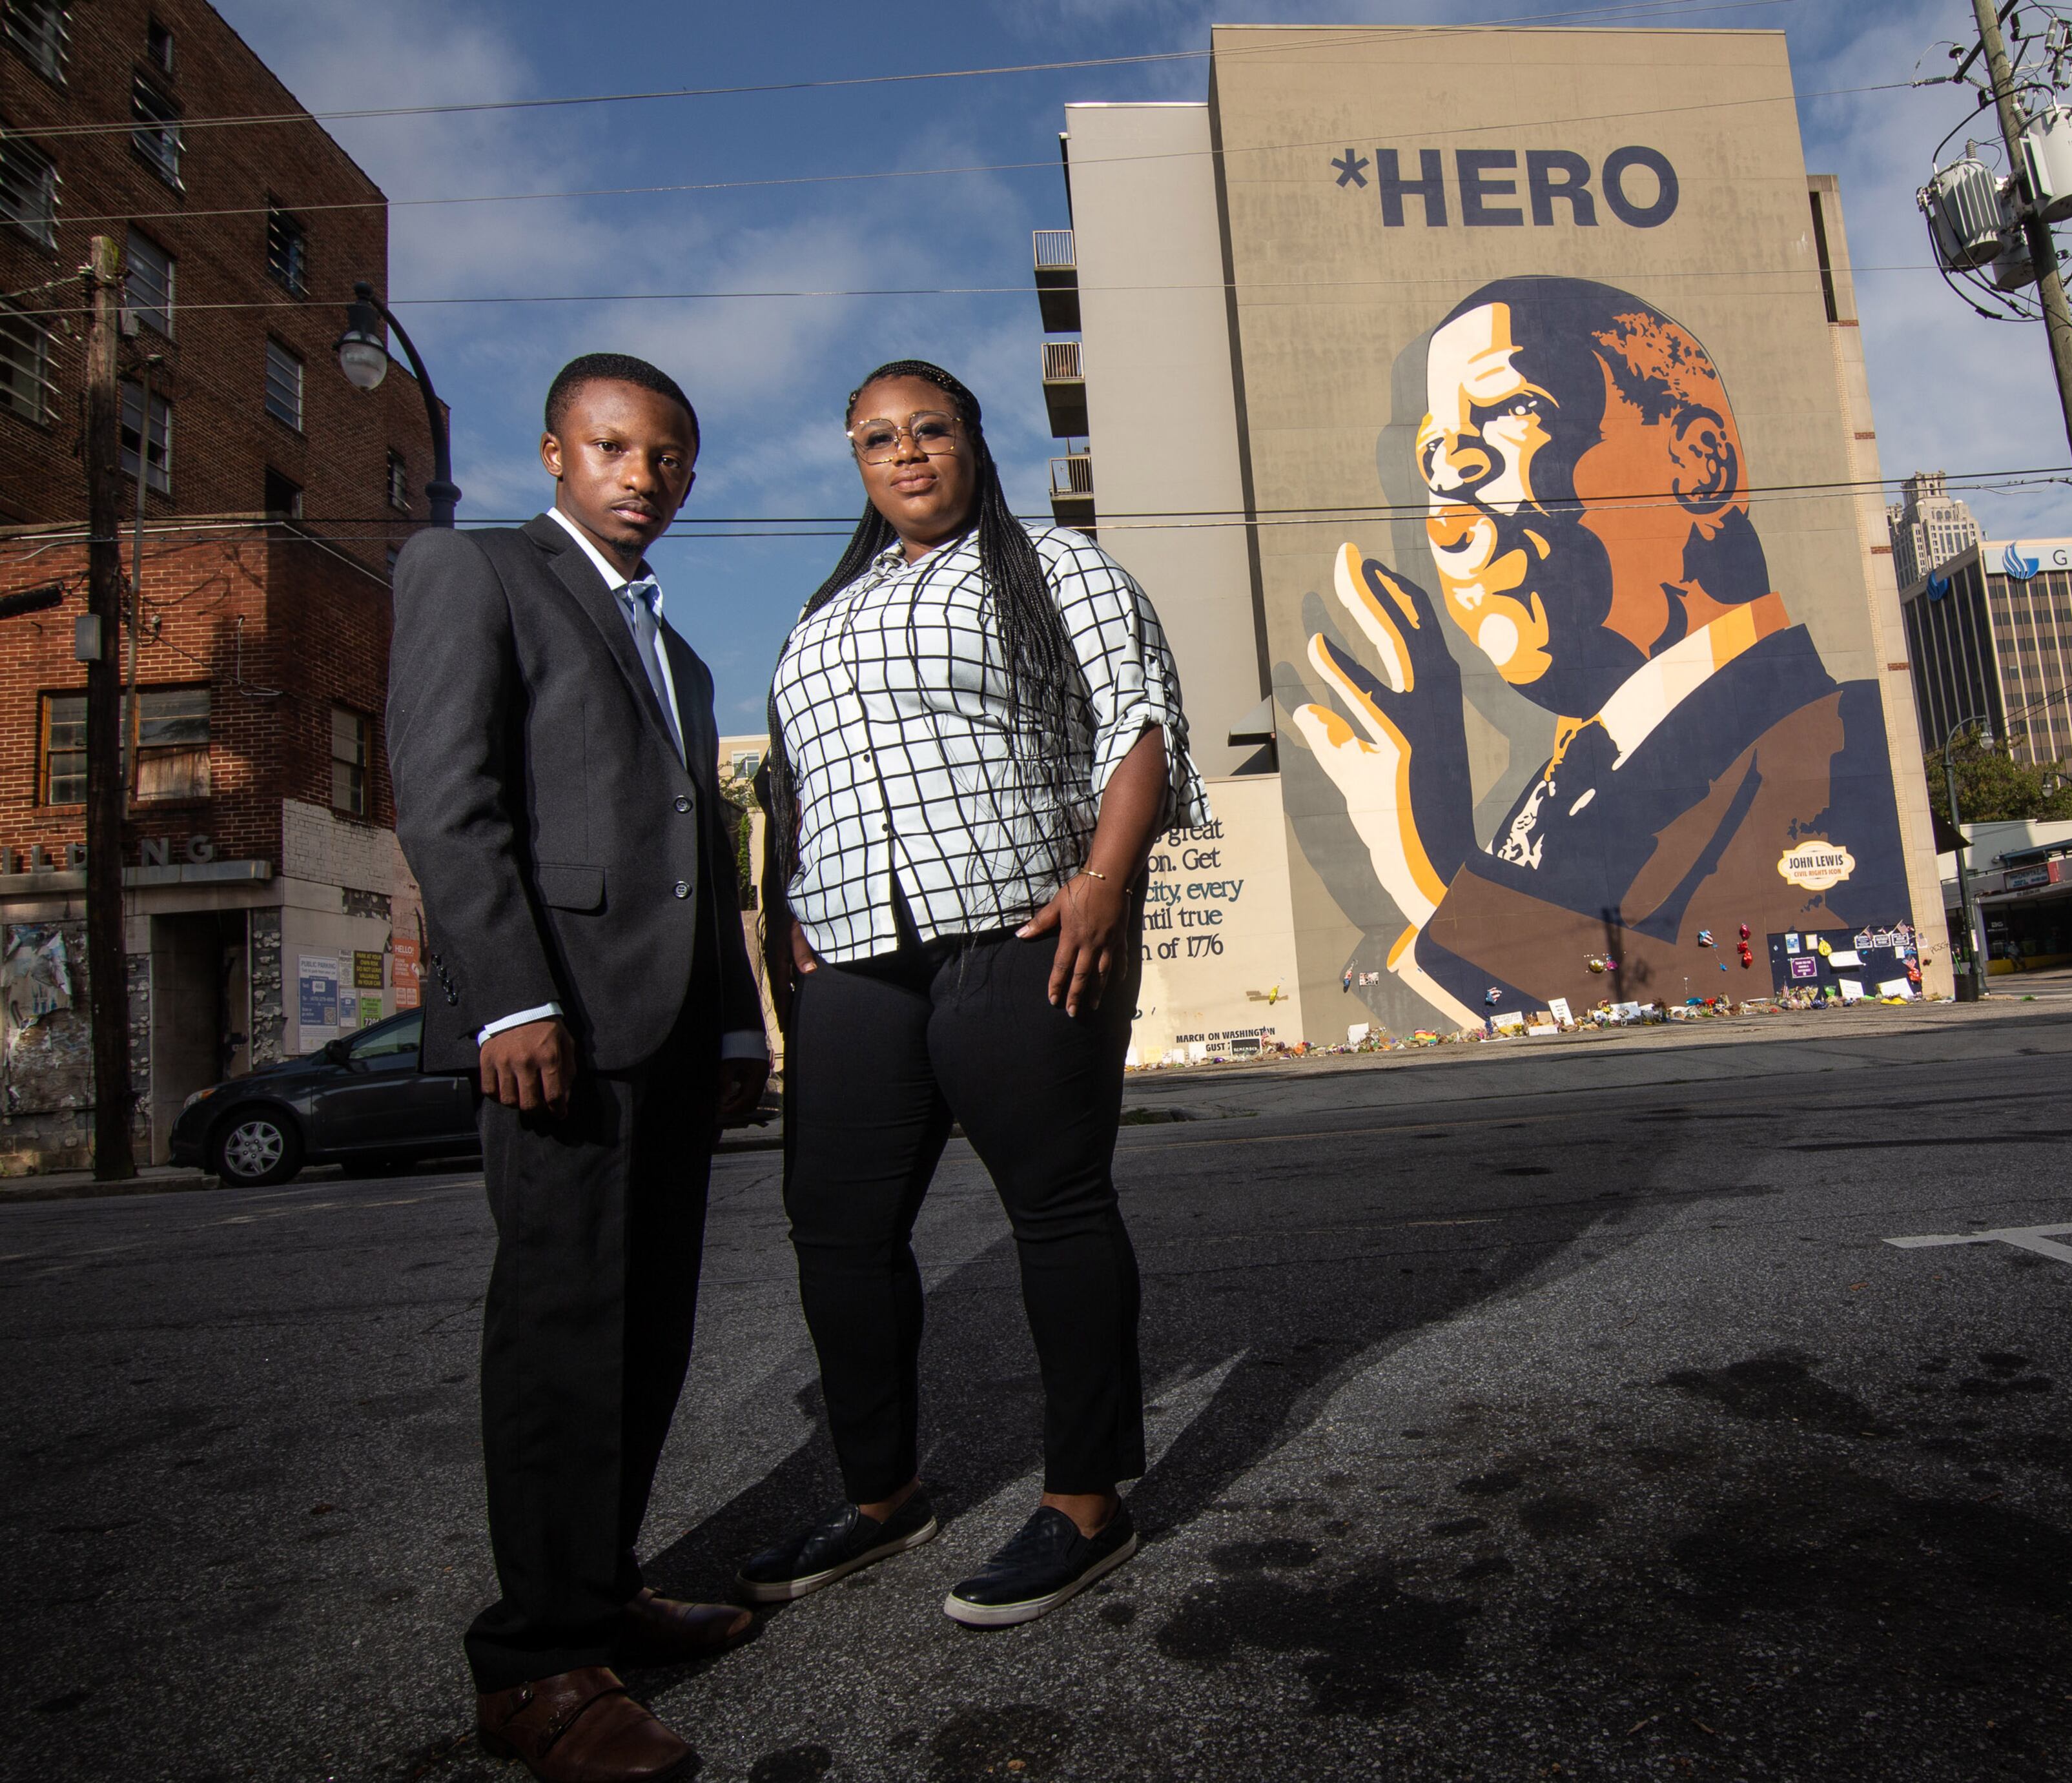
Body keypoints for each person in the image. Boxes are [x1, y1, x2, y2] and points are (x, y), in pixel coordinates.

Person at [740, 358, 1204, 1629]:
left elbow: (1140, 722)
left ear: (969, 441)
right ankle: (883, 1494)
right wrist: (791, 915)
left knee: (1054, 1210)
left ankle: (1086, 1502)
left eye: (928, 430)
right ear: (857, 460)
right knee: (835, 1231)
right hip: (851, 954)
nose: (905, 455)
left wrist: (1108, 878)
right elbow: (792, 784)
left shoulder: (1059, 568)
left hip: (1016, 928)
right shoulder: (826, 613)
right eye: (878, 439)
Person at [389, 353, 769, 1782]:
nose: (643, 475)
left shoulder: (678, 652)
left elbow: (704, 854)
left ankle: (601, 1592)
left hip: (671, 1030)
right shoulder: (472, 572)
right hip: (555, 1024)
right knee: (560, 1334)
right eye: (613, 447)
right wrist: (508, 1002)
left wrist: (735, 1024)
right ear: (555, 454)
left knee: (649, 1324)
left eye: (668, 455)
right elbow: (447, 801)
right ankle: (536, 1666)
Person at [1293, 276, 1913, 1026]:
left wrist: (1441, 877)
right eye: (1436, 460)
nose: (1452, 510)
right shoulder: (1569, 775)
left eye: (1513, 414)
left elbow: (1755, 1009)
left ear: (1701, 465)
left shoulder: (1837, 742)